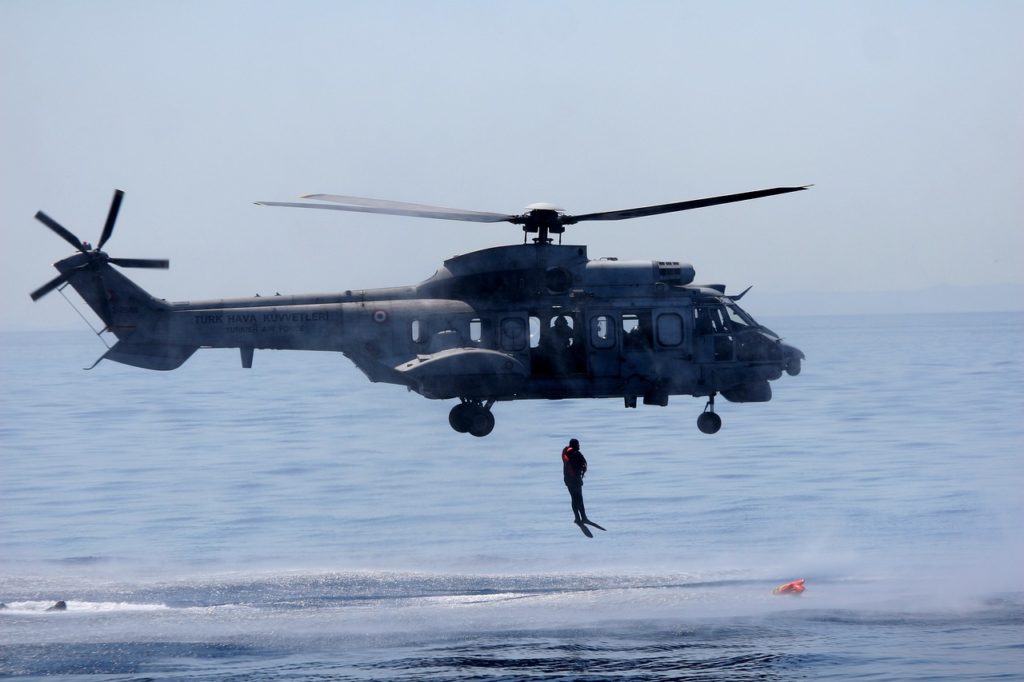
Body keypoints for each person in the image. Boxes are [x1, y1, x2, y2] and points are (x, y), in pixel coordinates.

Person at [561, 438, 588, 523]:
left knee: (573, 498)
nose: (579, 446)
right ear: (575, 445)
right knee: (579, 498)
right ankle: (583, 518)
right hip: (576, 480)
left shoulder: (566, 453)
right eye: (578, 444)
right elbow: (583, 464)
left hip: (568, 480)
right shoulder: (577, 454)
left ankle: (577, 518)